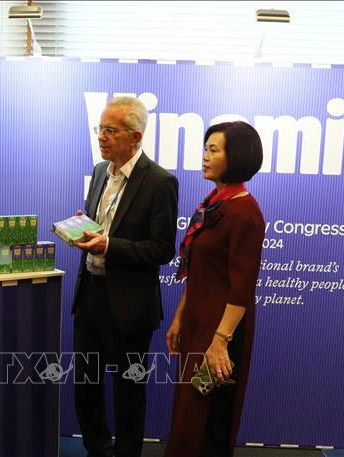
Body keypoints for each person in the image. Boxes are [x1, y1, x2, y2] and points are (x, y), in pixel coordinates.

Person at [72, 96, 179, 457]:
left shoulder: (161, 182)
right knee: (86, 385)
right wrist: (83, 231)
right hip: (90, 295)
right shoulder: (102, 171)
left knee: (128, 390)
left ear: (135, 137)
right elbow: (101, 226)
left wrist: (109, 246)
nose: (101, 137)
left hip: (130, 305)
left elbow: (162, 249)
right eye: (99, 128)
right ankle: (98, 450)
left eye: (110, 130)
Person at [164, 121, 266, 457]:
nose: (204, 157)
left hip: (222, 329)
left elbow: (242, 287)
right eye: (205, 148)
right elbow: (197, 272)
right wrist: (180, 318)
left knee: (209, 419)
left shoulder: (245, 212)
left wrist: (221, 342)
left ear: (235, 156)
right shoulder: (212, 203)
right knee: (187, 413)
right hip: (197, 323)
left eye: (214, 150)